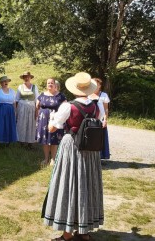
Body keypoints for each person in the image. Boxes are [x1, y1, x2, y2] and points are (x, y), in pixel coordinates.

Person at [41, 72, 104, 241]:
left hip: (73, 148)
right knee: (87, 185)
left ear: (74, 88)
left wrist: (52, 119)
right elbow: (100, 121)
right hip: (90, 151)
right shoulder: (96, 106)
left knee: (70, 184)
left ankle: (67, 234)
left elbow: (52, 129)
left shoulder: (68, 106)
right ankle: (84, 231)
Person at [36, 78, 66, 166]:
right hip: (43, 120)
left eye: (51, 83)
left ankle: (53, 159)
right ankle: (46, 159)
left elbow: (65, 108)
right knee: (45, 140)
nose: (50, 84)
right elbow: (37, 106)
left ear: (55, 84)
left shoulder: (60, 96)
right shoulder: (42, 95)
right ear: (46, 85)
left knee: (54, 139)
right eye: (48, 83)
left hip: (56, 120)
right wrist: (37, 117)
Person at [15, 72, 39, 148]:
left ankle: (30, 142)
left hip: (31, 108)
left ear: (30, 78)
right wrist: (16, 111)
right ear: (23, 78)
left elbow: (37, 100)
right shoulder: (20, 87)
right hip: (22, 108)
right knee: (22, 124)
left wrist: (36, 111)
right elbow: (17, 99)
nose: (26, 78)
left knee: (31, 124)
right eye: (25, 77)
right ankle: (21, 141)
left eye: (28, 77)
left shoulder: (35, 87)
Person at [0, 76, 17, 144]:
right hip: (0, 110)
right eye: (4, 81)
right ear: (1, 83)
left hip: (10, 110)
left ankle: (8, 140)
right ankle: (1, 140)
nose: (6, 82)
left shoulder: (12, 91)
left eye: (6, 81)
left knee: (9, 124)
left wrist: (15, 111)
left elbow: (14, 102)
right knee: (1, 124)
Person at [89, 78, 110, 160]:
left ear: (100, 86)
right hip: (90, 121)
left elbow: (106, 109)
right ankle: (90, 157)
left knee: (100, 139)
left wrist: (105, 120)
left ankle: (99, 157)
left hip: (100, 121)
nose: (95, 86)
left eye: (97, 84)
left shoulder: (104, 95)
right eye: (93, 84)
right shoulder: (88, 95)